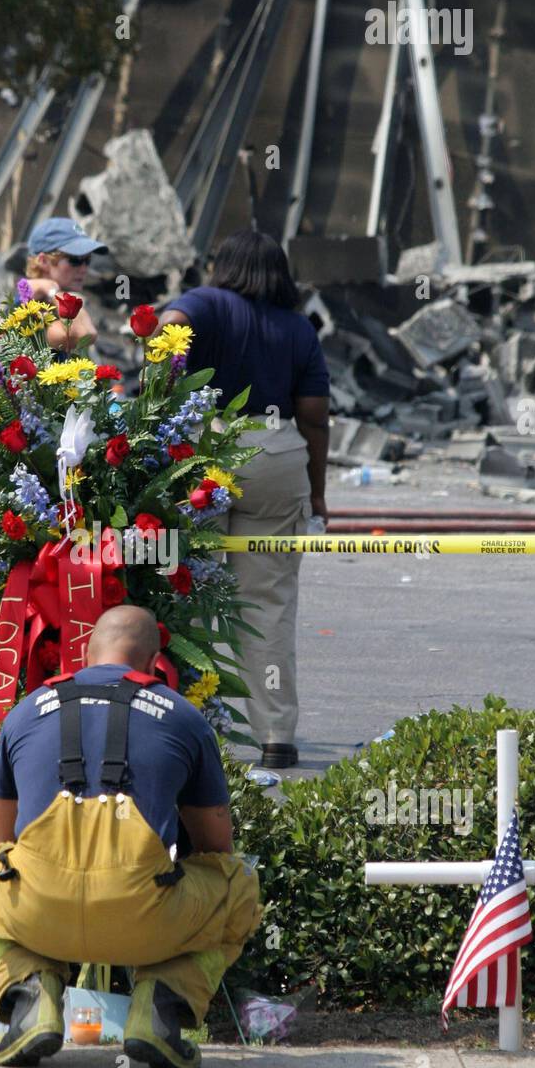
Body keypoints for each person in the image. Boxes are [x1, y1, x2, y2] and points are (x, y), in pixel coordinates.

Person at [0, 606, 262, 1068]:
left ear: (84, 652)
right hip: (147, 921)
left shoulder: (24, 713)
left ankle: (31, 992)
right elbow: (215, 847)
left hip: (41, 915)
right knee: (237, 882)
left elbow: (7, 839)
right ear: (155, 661)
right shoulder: (183, 717)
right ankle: (160, 1003)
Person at [159, 229, 330, 771]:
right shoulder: (299, 328)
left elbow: (171, 323)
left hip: (205, 450)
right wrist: (318, 492)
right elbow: (314, 417)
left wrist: (162, 385)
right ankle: (276, 735)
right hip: (277, 454)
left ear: (222, 265)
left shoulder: (206, 303)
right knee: (269, 601)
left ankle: (186, 723)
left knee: (188, 589)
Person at [21, 217, 107, 354]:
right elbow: (83, 333)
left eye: (88, 260)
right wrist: (53, 290)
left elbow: (89, 333)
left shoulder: (51, 302)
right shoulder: (27, 304)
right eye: (75, 260)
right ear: (43, 261)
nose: (84, 269)